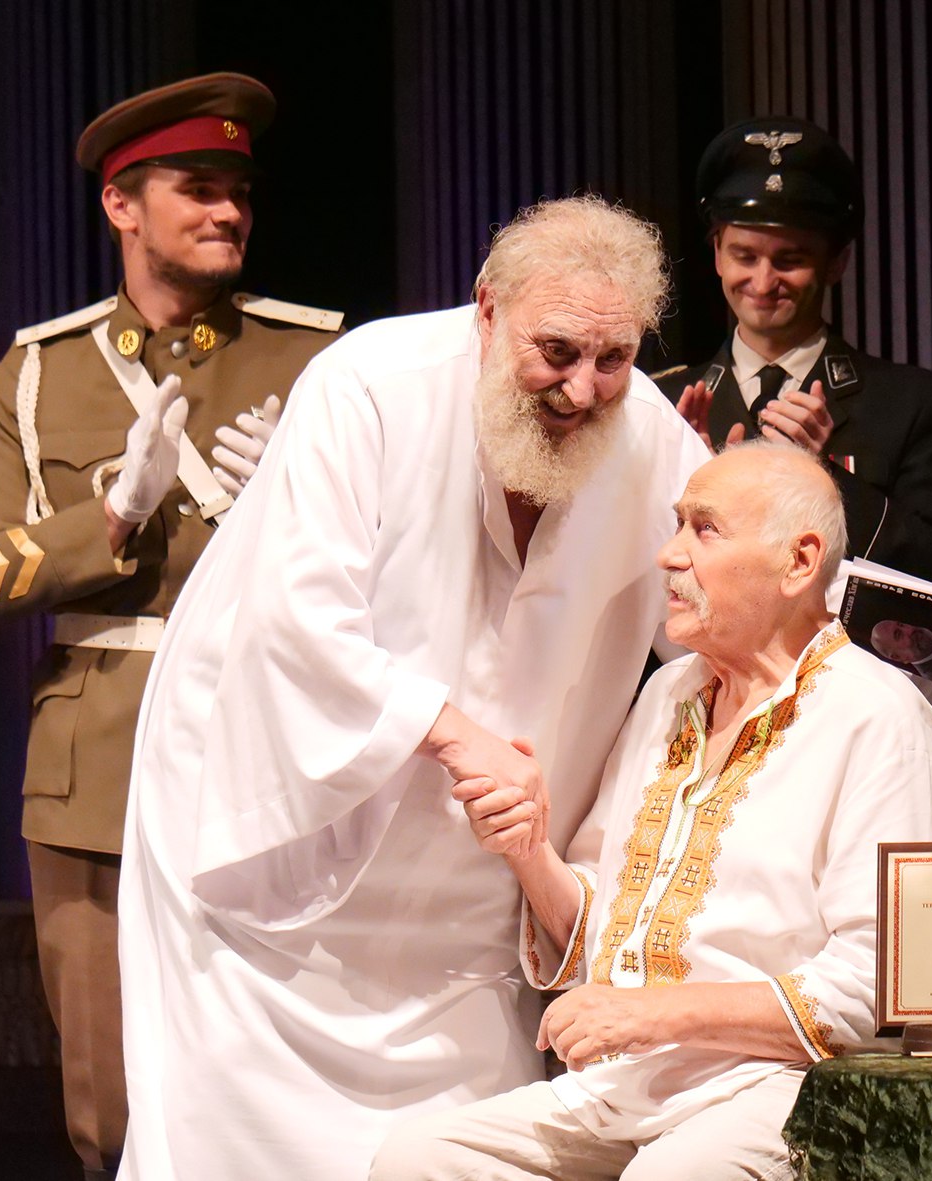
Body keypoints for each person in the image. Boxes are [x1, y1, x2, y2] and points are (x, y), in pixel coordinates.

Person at [116, 195, 716, 1179]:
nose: (582, 387)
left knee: (458, 1140)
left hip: (471, 888)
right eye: (557, 351)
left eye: (613, 358)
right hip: (272, 844)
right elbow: (295, 616)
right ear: (488, 309)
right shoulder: (370, 383)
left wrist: (872, 670)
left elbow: (734, 588)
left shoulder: (643, 427)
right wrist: (452, 732)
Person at [370, 440, 932, 1181]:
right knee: (418, 1160)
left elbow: (880, 985)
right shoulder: (669, 694)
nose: (669, 554)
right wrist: (528, 847)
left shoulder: (878, 717)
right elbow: (600, 936)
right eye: (677, 524)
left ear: (799, 562)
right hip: (634, 1084)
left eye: (704, 529)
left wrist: (656, 1013)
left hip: (790, 1084)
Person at [0, 73, 341, 1180]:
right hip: (100, 767)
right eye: (198, 189)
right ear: (122, 206)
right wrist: (112, 515)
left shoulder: (318, 360)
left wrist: (295, 508)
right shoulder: (37, 375)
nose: (228, 212)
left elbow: (406, 558)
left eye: (239, 192)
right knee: (110, 1092)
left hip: (269, 746)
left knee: (270, 1075)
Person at [655, 116, 932, 588]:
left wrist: (823, 478)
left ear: (836, 262)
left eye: (790, 260)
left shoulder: (914, 405)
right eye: (745, 256)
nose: (764, 282)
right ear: (717, 253)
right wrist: (679, 484)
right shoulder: (662, 401)